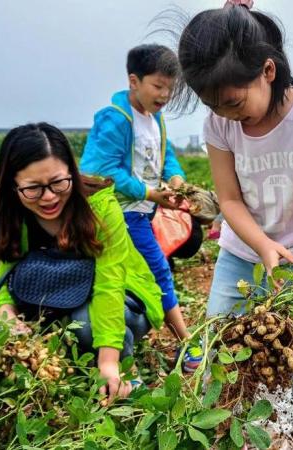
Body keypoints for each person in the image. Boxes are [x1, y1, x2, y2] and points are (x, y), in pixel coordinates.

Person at [174, 5, 293, 449]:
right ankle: (238, 437)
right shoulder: (219, 123)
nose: (228, 115)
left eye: (234, 102)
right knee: (222, 353)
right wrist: (263, 247)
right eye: (215, 106)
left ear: (268, 71)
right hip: (241, 255)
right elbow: (228, 198)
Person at [0, 123, 165, 404]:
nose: (50, 197)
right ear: (13, 186)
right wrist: (6, 314)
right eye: (33, 189)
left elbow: (110, 285)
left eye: (58, 182)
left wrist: (109, 362)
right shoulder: (14, 215)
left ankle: (126, 367)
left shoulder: (100, 208)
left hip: (124, 301)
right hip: (56, 299)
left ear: (72, 172)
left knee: (84, 325)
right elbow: (8, 274)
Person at [80, 44, 200, 371]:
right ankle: (188, 345)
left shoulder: (155, 118)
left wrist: (176, 180)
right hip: (121, 214)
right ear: (134, 81)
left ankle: (130, 344)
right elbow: (101, 169)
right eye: (157, 86)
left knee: (141, 274)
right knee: (158, 271)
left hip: (144, 211)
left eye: (170, 89)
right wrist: (147, 190)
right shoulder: (116, 119)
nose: (164, 95)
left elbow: (167, 156)